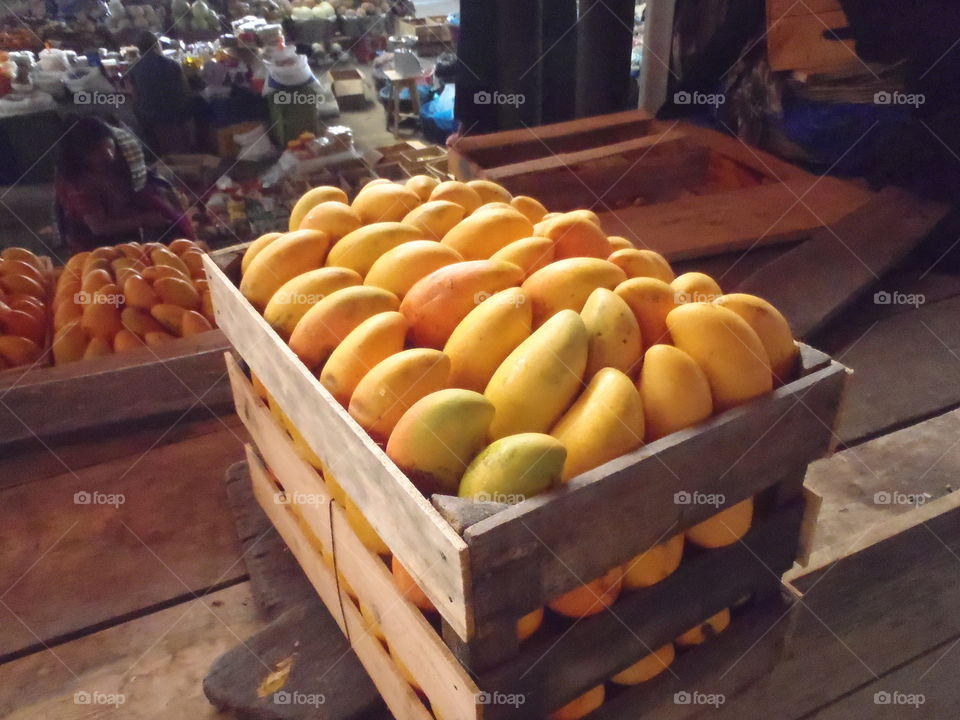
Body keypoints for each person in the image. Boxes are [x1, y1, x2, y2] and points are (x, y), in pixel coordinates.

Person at [54, 116, 195, 252]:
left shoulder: (110, 163)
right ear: (82, 155)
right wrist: (145, 219)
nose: (110, 155)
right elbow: (99, 227)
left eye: (111, 148)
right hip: (97, 247)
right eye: (100, 152)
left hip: (126, 234)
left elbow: (139, 176)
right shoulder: (78, 184)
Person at [127, 31, 191, 156]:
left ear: (139, 49)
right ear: (157, 45)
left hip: (151, 116)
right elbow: (185, 90)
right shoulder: (172, 64)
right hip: (174, 114)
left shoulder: (135, 68)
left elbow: (135, 95)